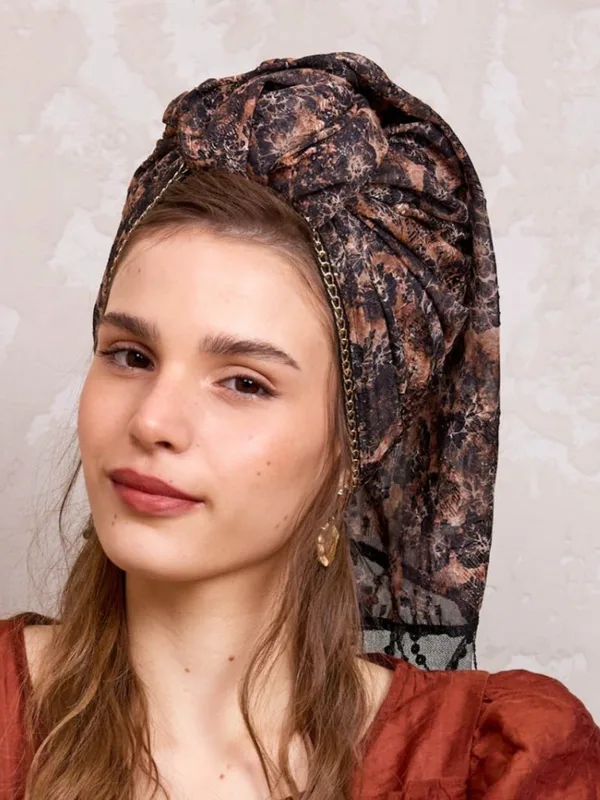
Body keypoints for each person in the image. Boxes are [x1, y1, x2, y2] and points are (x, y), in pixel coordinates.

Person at [0, 52, 598, 800]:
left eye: (244, 382)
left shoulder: (497, 770)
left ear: (351, 448)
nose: (152, 420)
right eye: (130, 355)